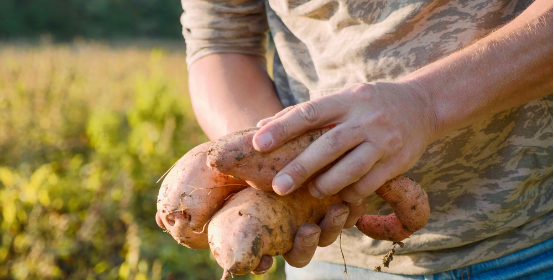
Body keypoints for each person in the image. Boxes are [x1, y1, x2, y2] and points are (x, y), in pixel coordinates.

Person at [182, 0, 553, 278]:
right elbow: (220, 38)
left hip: (534, 239)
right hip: (335, 263)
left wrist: (425, 104)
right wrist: (282, 173)